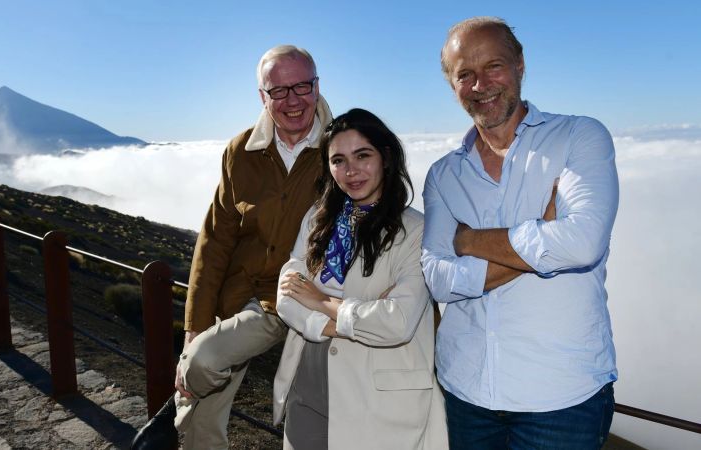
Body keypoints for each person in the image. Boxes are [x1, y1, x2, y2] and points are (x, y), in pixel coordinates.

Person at [421, 17, 619, 449]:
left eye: (493, 66)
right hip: (466, 393)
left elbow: (583, 243)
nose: (480, 85)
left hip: (562, 398)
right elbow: (437, 278)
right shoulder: (443, 175)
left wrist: (470, 241)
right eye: (464, 75)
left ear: (520, 64)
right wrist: (542, 238)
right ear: (452, 85)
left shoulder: (578, 137)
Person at [131, 45, 332, 450]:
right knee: (200, 420)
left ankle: (178, 397)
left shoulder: (340, 147)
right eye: (278, 91)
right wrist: (195, 327)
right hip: (239, 294)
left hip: (300, 297)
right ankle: (185, 400)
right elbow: (215, 240)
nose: (292, 100)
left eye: (302, 87)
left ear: (317, 85)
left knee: (201, 367)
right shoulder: (240, 151)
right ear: (262, 96)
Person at [273, 108, 448, 450]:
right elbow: (287, 293)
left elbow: (397, 323)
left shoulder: (415, 230)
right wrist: (348, 317)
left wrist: (323, 301)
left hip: (377, 400)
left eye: (362, 155)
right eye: (338, 160)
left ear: (385, 157)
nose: (350, 170)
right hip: (307, 386)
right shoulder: (319, 218)